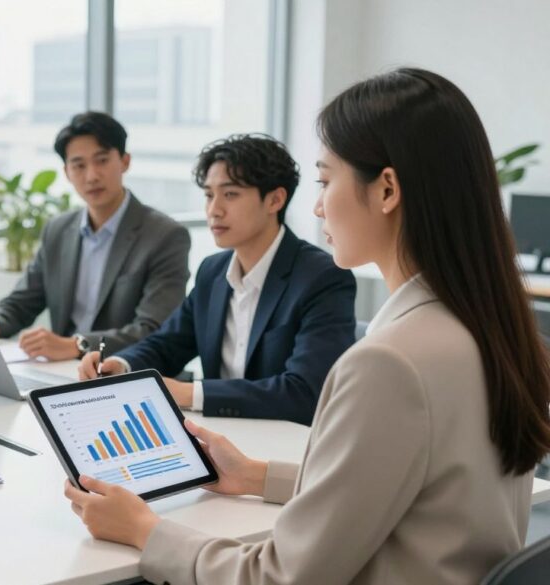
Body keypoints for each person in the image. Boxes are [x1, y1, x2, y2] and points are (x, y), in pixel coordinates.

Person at [64, 68, 550, 584]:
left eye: (324, 181)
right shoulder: (485, 328)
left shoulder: (389, 364)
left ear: (387, 189)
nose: (317, 205)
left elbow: (281, 578)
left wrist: (146, 529)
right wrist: (256, 475)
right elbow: (402, 488)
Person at [79, 134, 356, 425]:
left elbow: (304, 392)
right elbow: (168, 344)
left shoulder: (322, 277)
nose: (214, 210)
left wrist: (189, 394)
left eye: (231, 194)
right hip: (218, 436)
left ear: (275, 199)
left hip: (283, 448)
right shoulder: (213, 271)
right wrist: (122, 365)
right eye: (209, 195)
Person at [0, 111, 191, 361]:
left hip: (123, 375)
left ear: (125, 161)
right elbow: (23, 301)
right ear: (67, 172)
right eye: (79, 165)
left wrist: (78, 345)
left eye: (102, 160)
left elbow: (153, 329)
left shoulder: (165, 236)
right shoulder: (58, 230)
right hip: (61, 371)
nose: (91, 175)